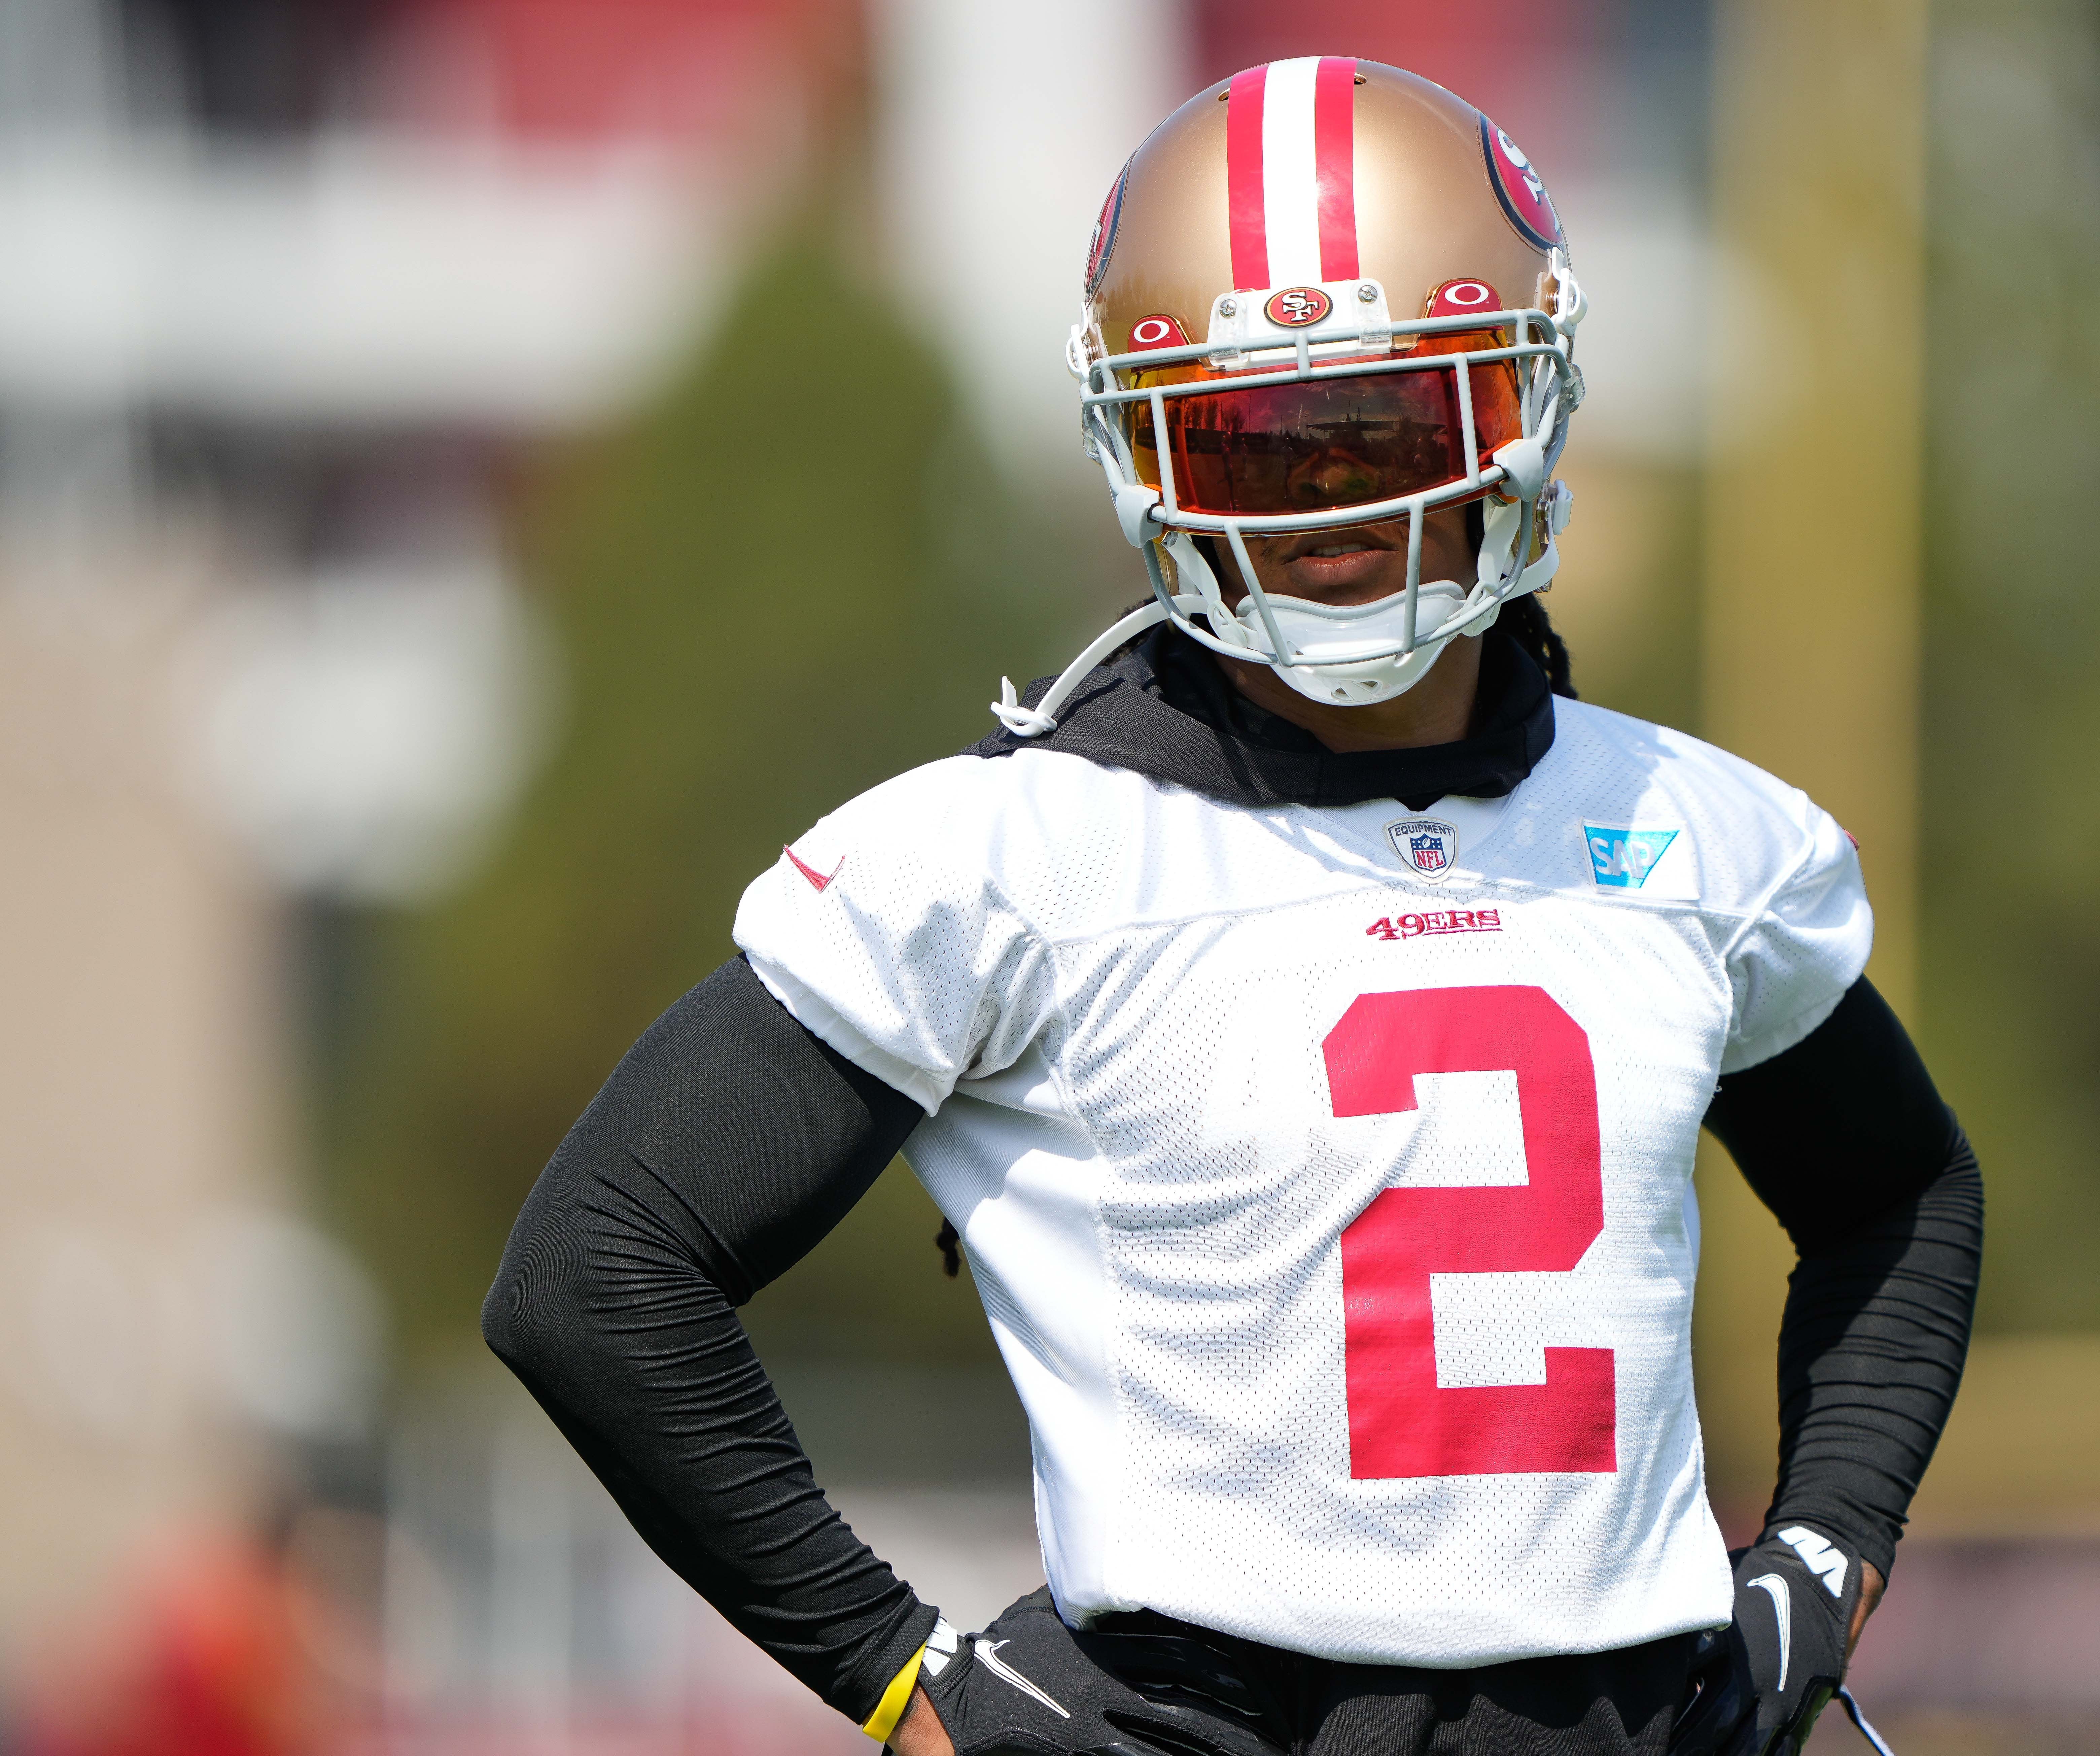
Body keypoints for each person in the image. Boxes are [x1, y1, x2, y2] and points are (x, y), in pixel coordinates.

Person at [483, 57, 1981, 1756]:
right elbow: (599, 1275)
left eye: (1392, 418)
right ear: (1145, 448)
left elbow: (1899, 1193)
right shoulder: (1014, 856)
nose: (1339, 500)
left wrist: (1829, 1547)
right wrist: (907, 1682)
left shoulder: (1687, 830)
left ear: (1523, 405)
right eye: (1253, 439)